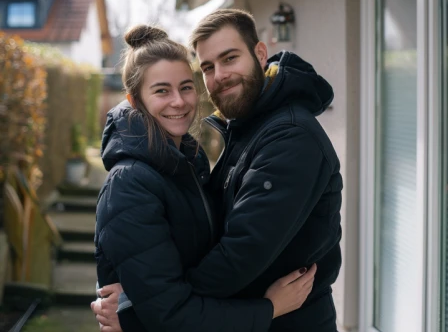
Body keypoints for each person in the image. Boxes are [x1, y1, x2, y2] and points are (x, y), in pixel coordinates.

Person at [91, 24, 317, 332]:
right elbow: (171, 315)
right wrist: (269, 308)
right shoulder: (130, 185)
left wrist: (134, 303)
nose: (179, 101)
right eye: (161, 91)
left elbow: (181, 274)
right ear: (135, 101)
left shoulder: (187, 165)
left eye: (186, 87)